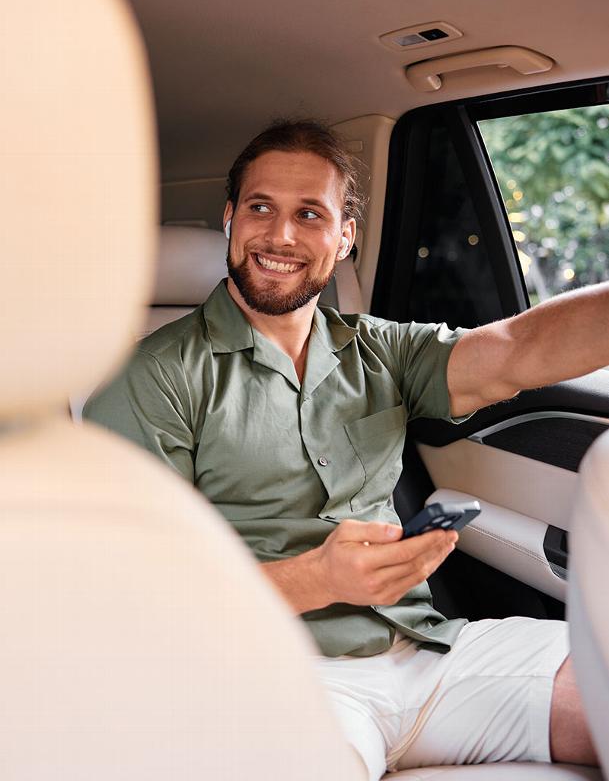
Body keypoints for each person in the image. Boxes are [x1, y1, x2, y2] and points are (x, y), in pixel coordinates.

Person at [84, 119, 604, 779]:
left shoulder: (379, 349)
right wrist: (316, 579)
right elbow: (126, 598)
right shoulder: (152, 379)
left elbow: (515, 351)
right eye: (260, 208)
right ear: (228, 218)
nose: (279, 235)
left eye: (310, 213)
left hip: (426, 654)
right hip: (270, 676)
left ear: (345, 236)